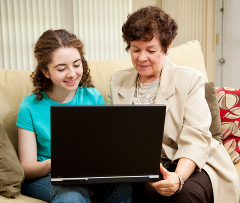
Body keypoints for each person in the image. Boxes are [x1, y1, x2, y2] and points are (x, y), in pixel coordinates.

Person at [107, 6, 239, 203]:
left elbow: (196, 136)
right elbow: (113, 134)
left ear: (167, 47)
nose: (141, 57)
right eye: (135, 49)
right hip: (146, 165)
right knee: (149, 193)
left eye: (151, 50)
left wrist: (178, 178)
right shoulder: (117, 81)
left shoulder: (190, 79)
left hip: (194, 160)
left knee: (185, 194)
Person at [17, 29, 132, 203]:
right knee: (72, 194)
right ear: (46, 72)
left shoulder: (94, 97)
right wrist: (58, 164)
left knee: (121, 186)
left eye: (77, 64)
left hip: (88, 174)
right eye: (61, 68)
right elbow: (26, 168)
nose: (72, 73)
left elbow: (102, 150)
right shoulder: (29, 106)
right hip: (45, 177)